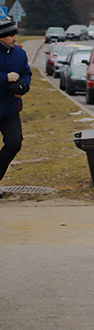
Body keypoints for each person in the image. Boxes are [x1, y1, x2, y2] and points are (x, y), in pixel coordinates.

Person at [0, 18, 31, 199]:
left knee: (14, 143)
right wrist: (5, 78)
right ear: (2, 37)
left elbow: (26, 72)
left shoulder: (20, 53)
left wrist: (24, 86)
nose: (15, 38)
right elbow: (7, 77)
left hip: (11, 108)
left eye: (15, 34)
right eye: (11, 35)